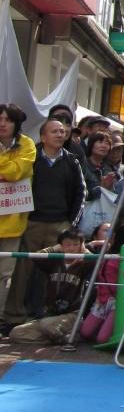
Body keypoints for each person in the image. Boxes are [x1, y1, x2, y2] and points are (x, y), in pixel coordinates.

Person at [2, 117, 84, 327]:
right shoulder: (32, 158)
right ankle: (13, 317)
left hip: (60, 225)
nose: (60, 134)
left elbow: (80, 193)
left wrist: (71, 224)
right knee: (21, 272)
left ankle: (46, 314)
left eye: (62, 131)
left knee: (54, 273)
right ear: (43, 136)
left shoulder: (72, 161)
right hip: (32, 223)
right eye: (54, 131)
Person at [0, 103, 36, 316]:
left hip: (14, 222)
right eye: (0, 119)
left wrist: (7, 169)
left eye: (8, 120)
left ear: (16, 123)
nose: (2, 124)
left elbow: (16, 172)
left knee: (5, 275)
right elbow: (12, 170)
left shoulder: (27, 144)